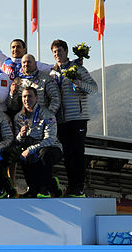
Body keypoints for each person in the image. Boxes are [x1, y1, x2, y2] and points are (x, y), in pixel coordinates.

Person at [49, 39, 98, 197]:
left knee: (78, 153)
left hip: (77, 117)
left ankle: (79, 187)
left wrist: (79, 84)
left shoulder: (77, 68)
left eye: (60, 51)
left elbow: (94, 88)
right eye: (55, 52)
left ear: (66, 52)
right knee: (68, 154)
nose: (57, 54)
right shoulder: (52, 72)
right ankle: (71, 187)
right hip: (61, 120)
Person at [14, 87, 63, 198]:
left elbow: (50, 139)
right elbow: (17, 142)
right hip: (32, 148)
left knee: (44, 154)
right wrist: (21, 135)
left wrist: (31, 149)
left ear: (36, 98)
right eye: (24, 97)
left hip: (52, 147)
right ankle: (39, 187)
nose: (27, 99)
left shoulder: (47, 114)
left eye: (30, 96)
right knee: (22, 154)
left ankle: (44, 189)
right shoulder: (18, 117)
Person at [0, 9, 51, 83]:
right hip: (7, 93)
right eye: (13, 47)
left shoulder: (30, 63)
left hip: (24, 92)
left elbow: (51, 68)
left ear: (24, 49)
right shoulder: (4, 61)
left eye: (18, 47)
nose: (15, 49)